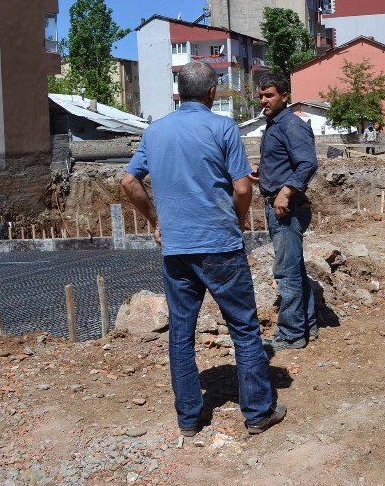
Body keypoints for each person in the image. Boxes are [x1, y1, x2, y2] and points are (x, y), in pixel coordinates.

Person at [121, 62, 285, 437]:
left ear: (179, 93)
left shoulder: (155, 130)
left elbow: (129, 181)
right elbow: (242, 188)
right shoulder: (222, 127)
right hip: (219, 246)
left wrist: (155, 220)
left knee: (181, 332)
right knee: (243, 328)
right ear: (212, 93)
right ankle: (258, 413)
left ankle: (189, 419)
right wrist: (239, 222)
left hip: (176, 249)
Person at [251, 72, 319, 352]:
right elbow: (287, 163)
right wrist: (263, 173)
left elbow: (307, 163)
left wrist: (285, 191)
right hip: (280, 204)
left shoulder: (291, 124)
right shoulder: (275, 125)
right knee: (295, 269)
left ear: (284, 96)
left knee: (286, 271)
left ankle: (291, 334)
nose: (264, 100)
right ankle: (308, 325)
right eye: (261, 95)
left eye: (269, 95)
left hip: (287, 209)